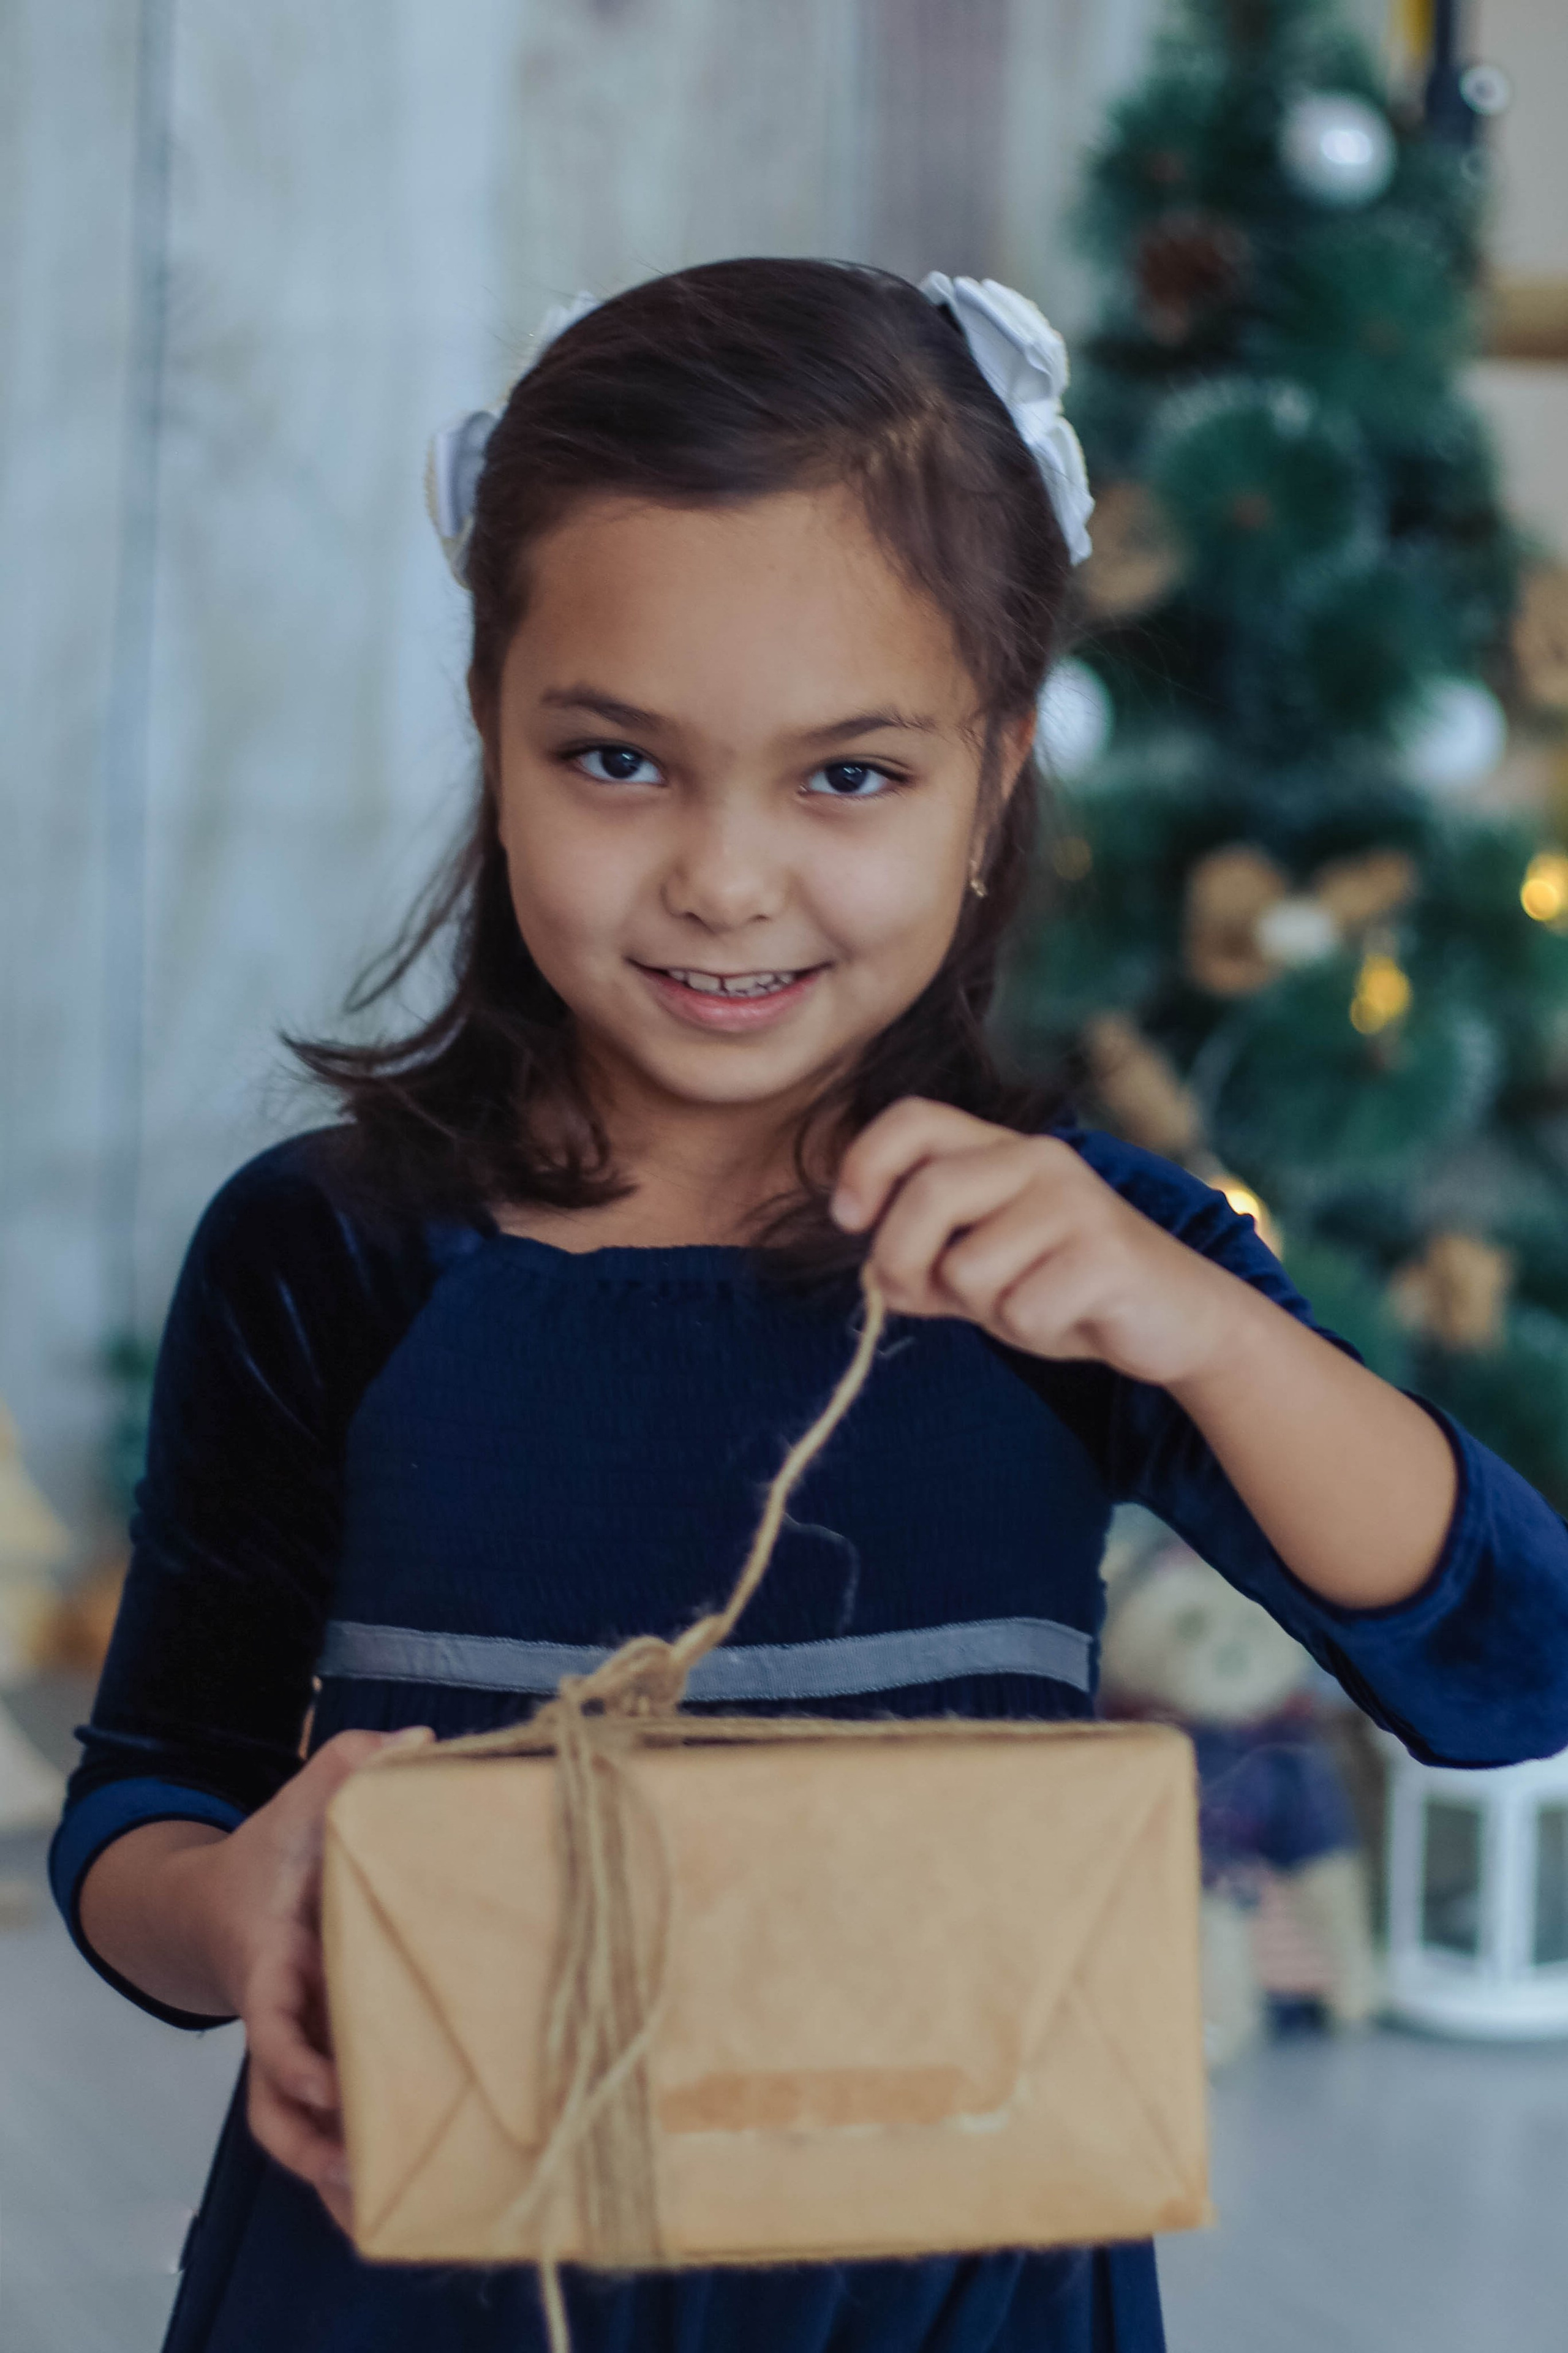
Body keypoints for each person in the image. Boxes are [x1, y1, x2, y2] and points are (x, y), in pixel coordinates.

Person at [50, 259, 1568, 2353]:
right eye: (617, 761)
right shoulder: (335, 1251)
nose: (726, 877)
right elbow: (145, 1801)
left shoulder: (1082, 1262)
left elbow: (1515, 1664)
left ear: (997, 775)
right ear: (495, 724)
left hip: (960, 2296)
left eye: (848, 776)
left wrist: (1207, 1325)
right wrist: (226, 1905)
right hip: (423, 2277)